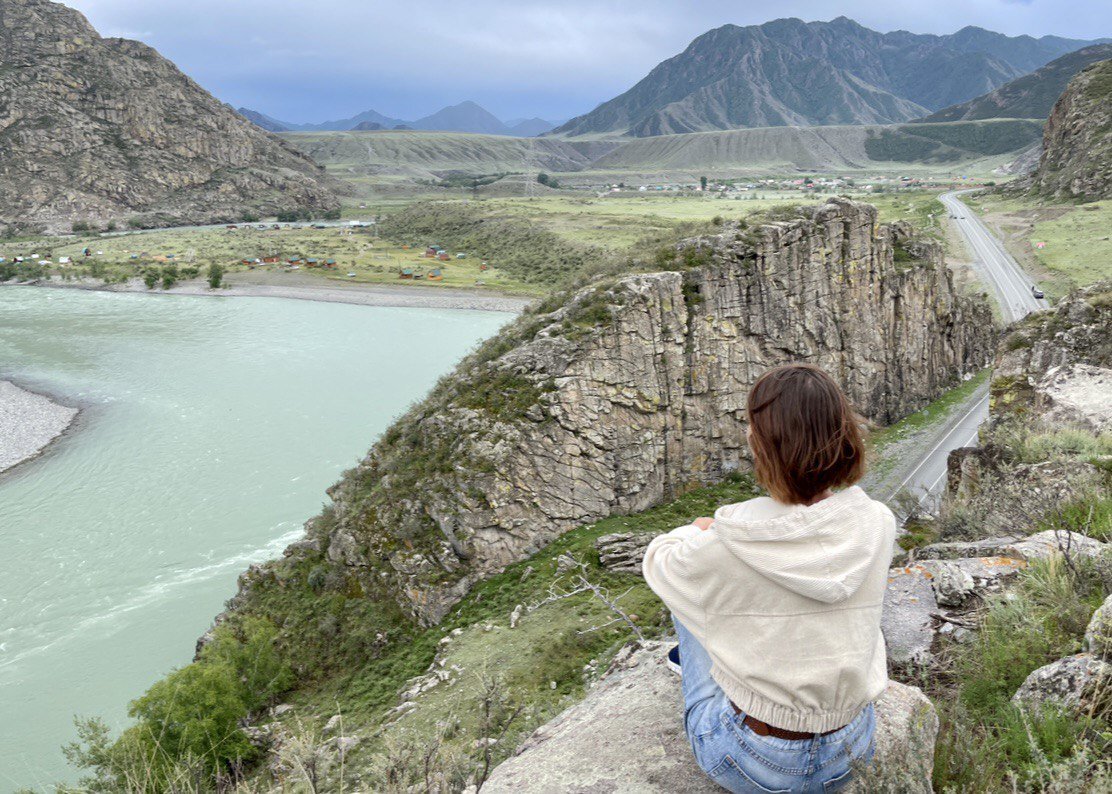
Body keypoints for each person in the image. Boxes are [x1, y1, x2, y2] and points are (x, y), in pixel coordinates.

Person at [642, 363, 895, 793]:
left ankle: (698, 665)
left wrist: (695, 531)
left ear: (764, 447)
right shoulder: (878, 520)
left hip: (754, 759)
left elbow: (658, 562)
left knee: (688, 586)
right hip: (853, 747)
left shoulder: (729, 541)